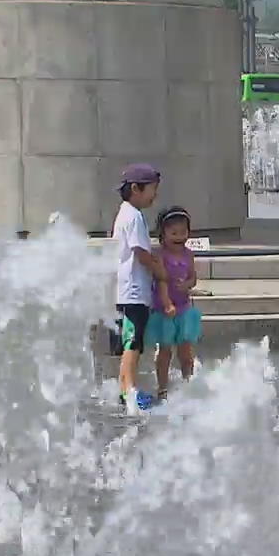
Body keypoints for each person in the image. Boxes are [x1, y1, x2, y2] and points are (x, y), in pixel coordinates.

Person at [112, 163, 171, 411]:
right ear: (135, 189)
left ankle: (125, 387)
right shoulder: (133, 216)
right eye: (152, 190)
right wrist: (158, 269)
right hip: (133, 292)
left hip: (130, 290)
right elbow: (140, 252)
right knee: (132, 343)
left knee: (130, 341)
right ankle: (129, 391)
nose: (154, 195)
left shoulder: (126, 213)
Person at [144, 206, 203, 400]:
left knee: (186, 349)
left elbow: (193, 277)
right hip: (164, 310)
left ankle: (188, 382)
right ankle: (162, 386)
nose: (179, 237)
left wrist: (187, 284)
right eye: (174, 233)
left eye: (183, 232)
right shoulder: (160, 255)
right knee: (166, 350)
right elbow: (160, 281)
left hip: (184, 308)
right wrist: (167, 303)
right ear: (163, 233)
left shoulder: (188, 254)